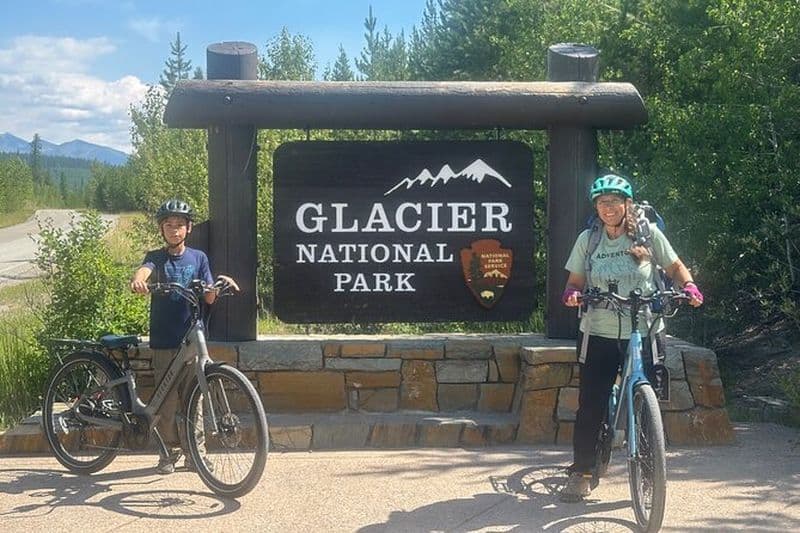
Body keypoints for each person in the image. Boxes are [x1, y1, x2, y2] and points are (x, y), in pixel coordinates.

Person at [559, 174, 704, 502]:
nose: (607, 208)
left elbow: (675, 266)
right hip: (599, 331)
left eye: (613, 201)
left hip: (647, 327)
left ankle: (651, 471)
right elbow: (575, 281)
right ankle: (581, 472)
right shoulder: (589, 239)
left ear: (627, 205)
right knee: (591, 405)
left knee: (649, 398)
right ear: (595, 207)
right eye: (601, 202)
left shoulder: (648, 234)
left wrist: (689, 287)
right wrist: (572, 294)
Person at [130, 198, 236, 474]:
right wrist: (140, 279)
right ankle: (168, 453)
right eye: (169, 225)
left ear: (188, 229)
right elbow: (145, 271)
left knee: (195, 399)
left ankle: (196, 453)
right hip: (165, 338)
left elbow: (210, 296)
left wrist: (220, 283)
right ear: (162, 229)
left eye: (179, 226)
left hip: (191, 338)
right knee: (167, 402)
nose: (174, 230)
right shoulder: (155, 257)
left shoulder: (198, 257)